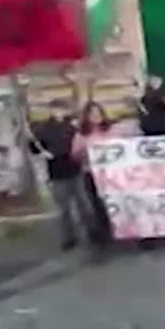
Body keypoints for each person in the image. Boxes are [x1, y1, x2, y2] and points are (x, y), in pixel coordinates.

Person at [28, 108, 95, 251]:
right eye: (57, 110)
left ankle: (92, 233)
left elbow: (78, 145)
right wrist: (40, 152)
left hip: (74, 170)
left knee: (84, 205)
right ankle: (68, 237)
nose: (60, 113)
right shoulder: (43, 129)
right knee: (64, 209)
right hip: (57, 173)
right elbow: (35, 147)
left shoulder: (70, 127)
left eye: (61, 110)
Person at [72, 102, 117, 246]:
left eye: (98, 113)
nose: (96, 116)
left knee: (112, 201)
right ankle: (103, 235)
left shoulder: (110, 130)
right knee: (97, 204)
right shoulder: (81, 135)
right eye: (93, 114)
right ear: (87, 116)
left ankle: (116, 229)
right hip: (91, 173)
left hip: (111, 173)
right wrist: (85, 151)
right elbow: (75, 155)